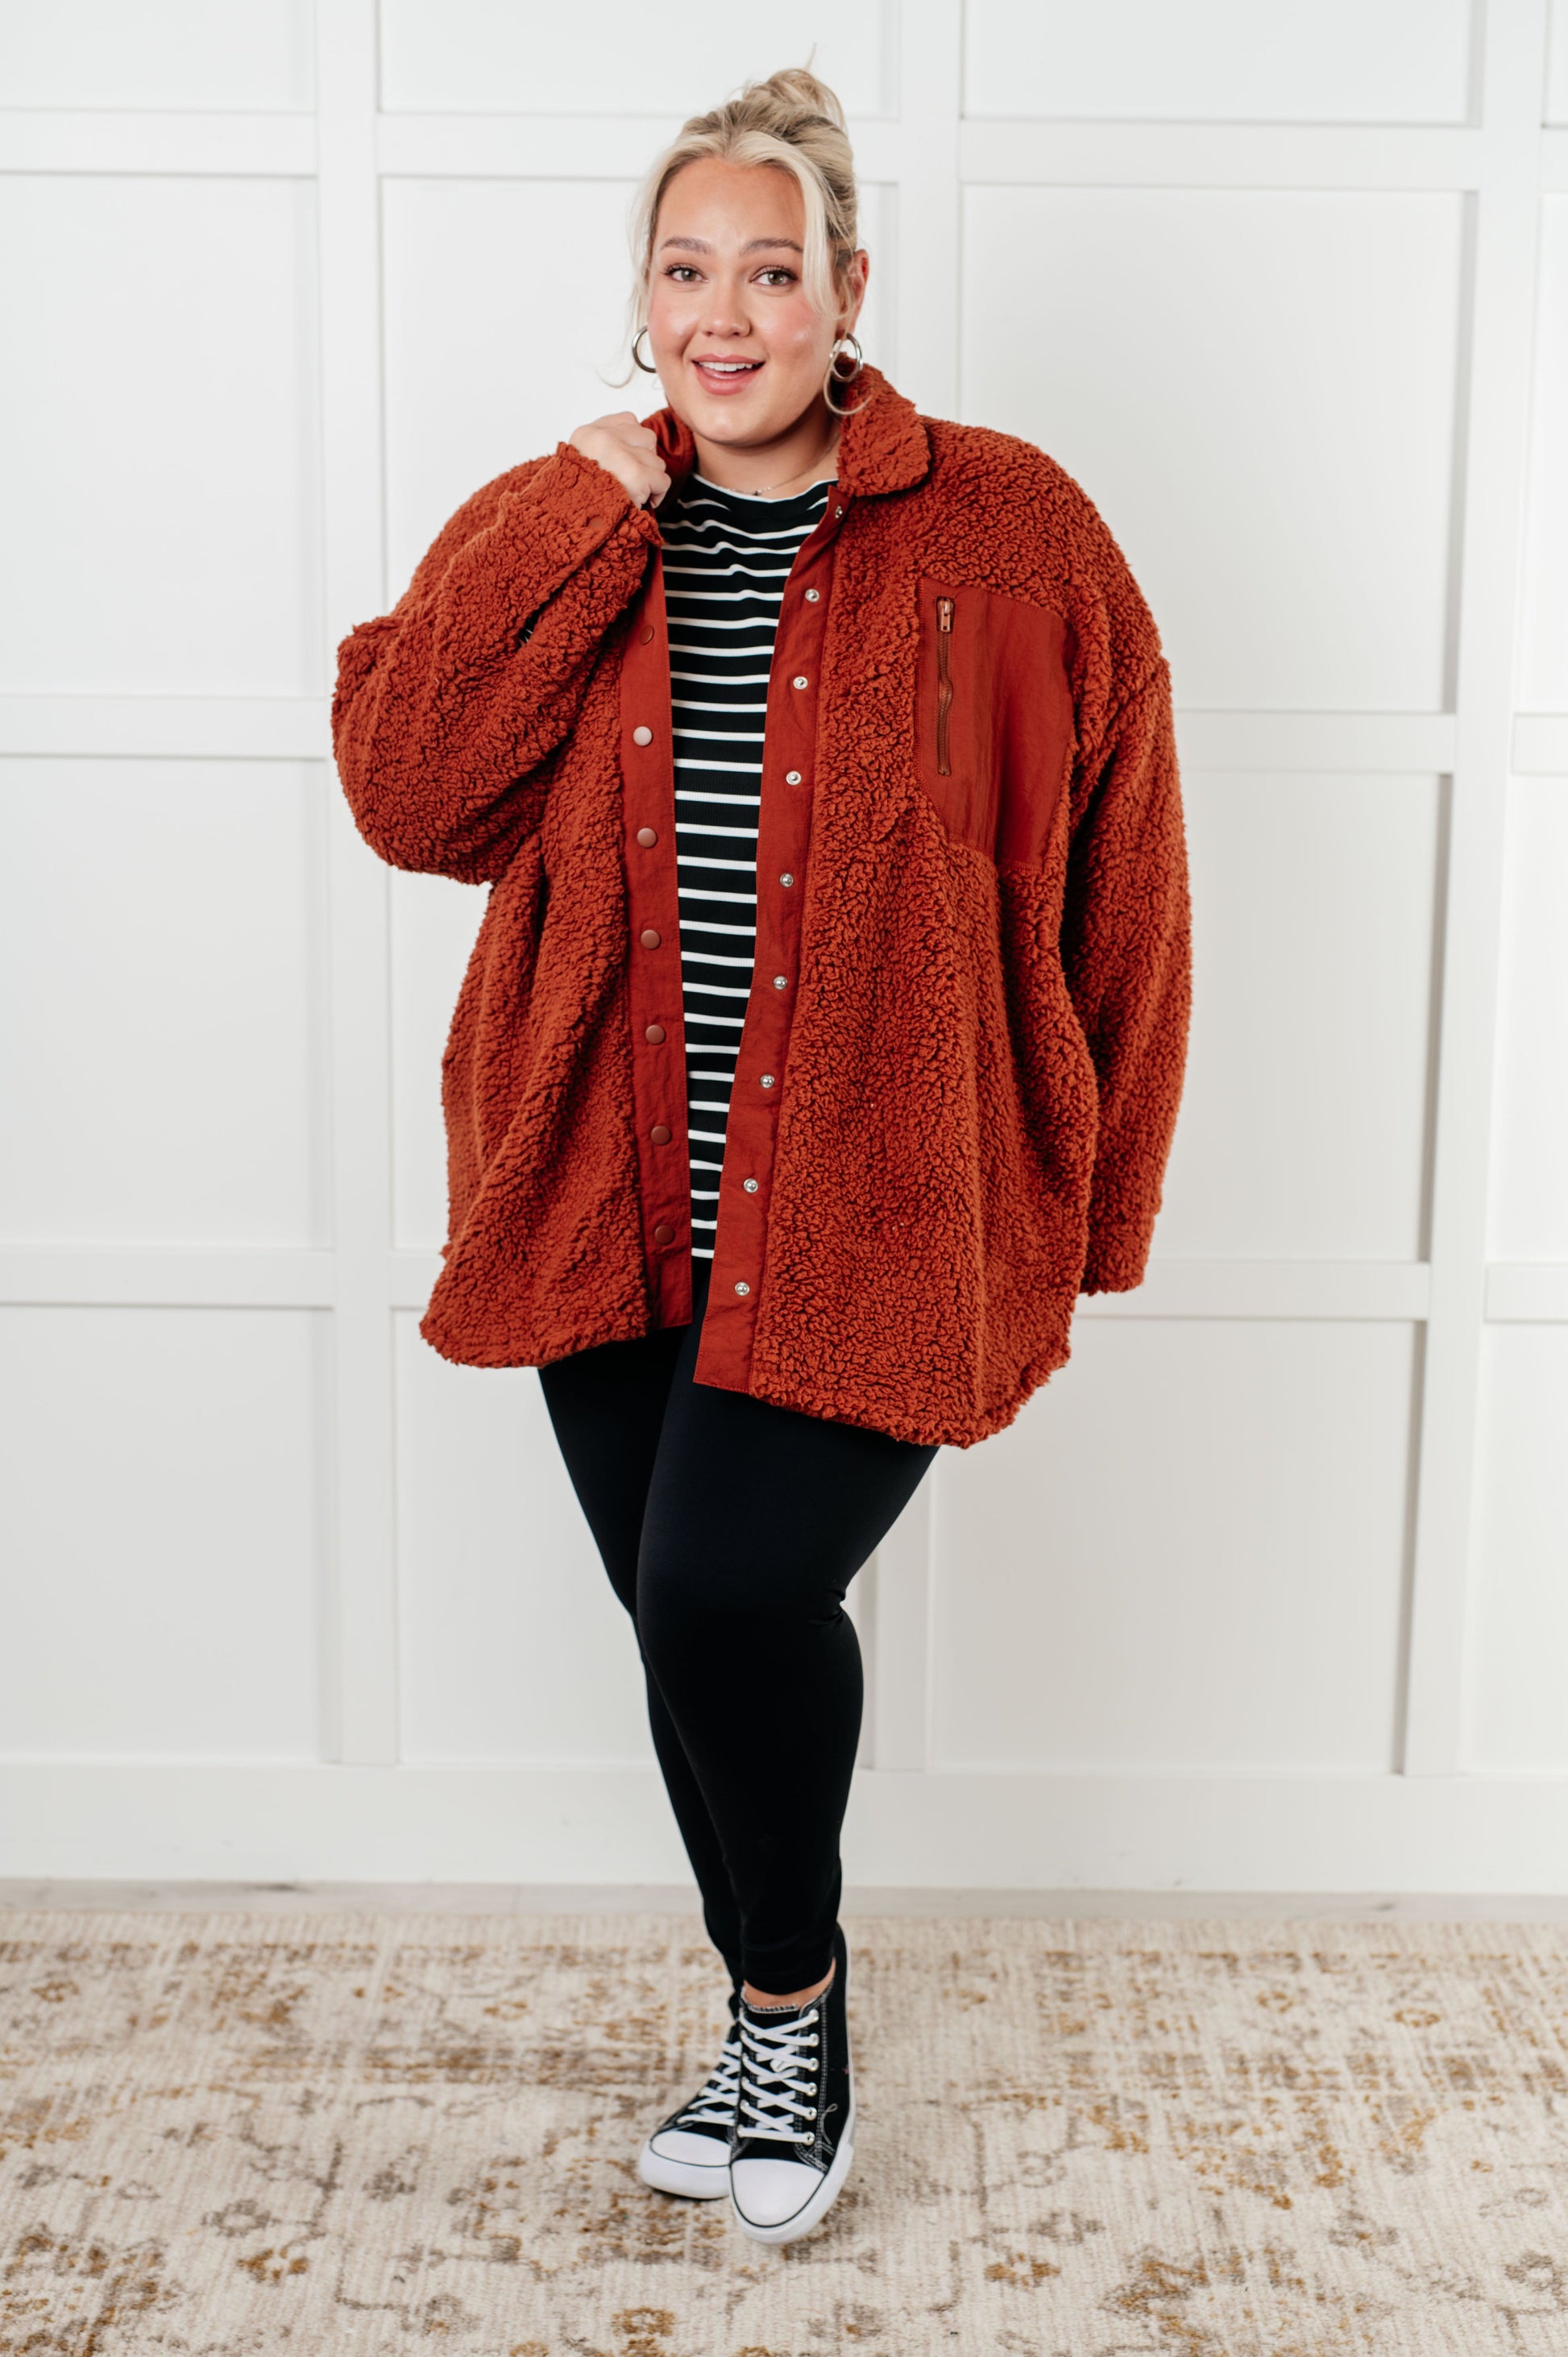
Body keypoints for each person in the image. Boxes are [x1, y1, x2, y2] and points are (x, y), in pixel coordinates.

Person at [332, 66, 1191, 2247]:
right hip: (607, 1192)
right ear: (642, 300)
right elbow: (412, 793)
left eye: (773, 270)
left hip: (879, 1208)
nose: (726, 315)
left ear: (848, 291)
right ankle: (762, 2011)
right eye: (686, 270)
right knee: (679, 1625)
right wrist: (568, 503)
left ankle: (790, 2014)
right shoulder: (579, 535)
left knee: (729, 1592)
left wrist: (1092, 1207)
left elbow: (1077, 882)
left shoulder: (992, 536)